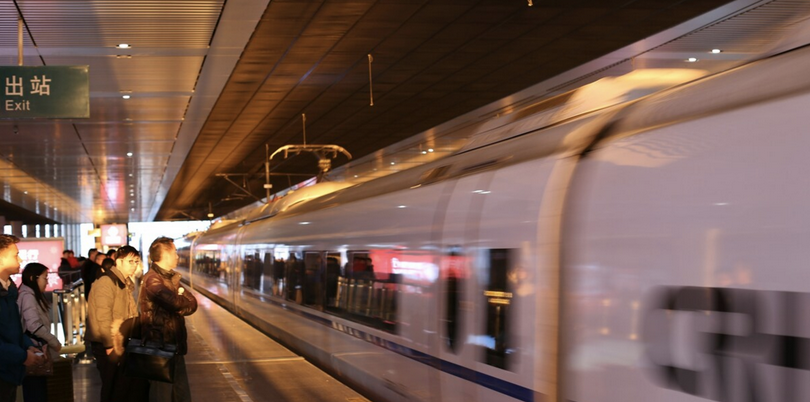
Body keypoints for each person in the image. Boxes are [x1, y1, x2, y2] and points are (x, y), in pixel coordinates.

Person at [86, 246, 147, 402]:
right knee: (114, 389)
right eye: (130, 261)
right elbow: (103, 316)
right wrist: (109, 346)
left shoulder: (124, 282)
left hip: (122, 341)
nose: (134, 265)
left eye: (137, 261)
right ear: (118, 262)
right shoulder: (106, 282)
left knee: (126, 388)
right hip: (109, 344)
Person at [139, 237, 197, 402]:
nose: (178, 256)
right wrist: (180, 301)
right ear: (164, 255)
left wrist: (180, 302)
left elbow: (192, 302)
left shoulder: (171, 278)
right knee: (161, 395)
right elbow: (176, 303)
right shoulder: (153, 280)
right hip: (160, 346)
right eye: (175, 252)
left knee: (181, 395)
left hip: (174, 343)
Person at [0, 235, 45, 402]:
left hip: (10, 370)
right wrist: (22, 356)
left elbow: (14, 328)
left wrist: (28, 345)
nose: (20, 259)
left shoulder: (9, 289)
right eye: (15, 255)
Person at [18, 263, 62, 402]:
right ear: (33, 278)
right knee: (36, 392)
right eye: (45, 277)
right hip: (33, 350)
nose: (47, 281)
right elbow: (33, 325)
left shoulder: (29, 294)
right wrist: (53, 341)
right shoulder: (28, 296)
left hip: (35, 348)